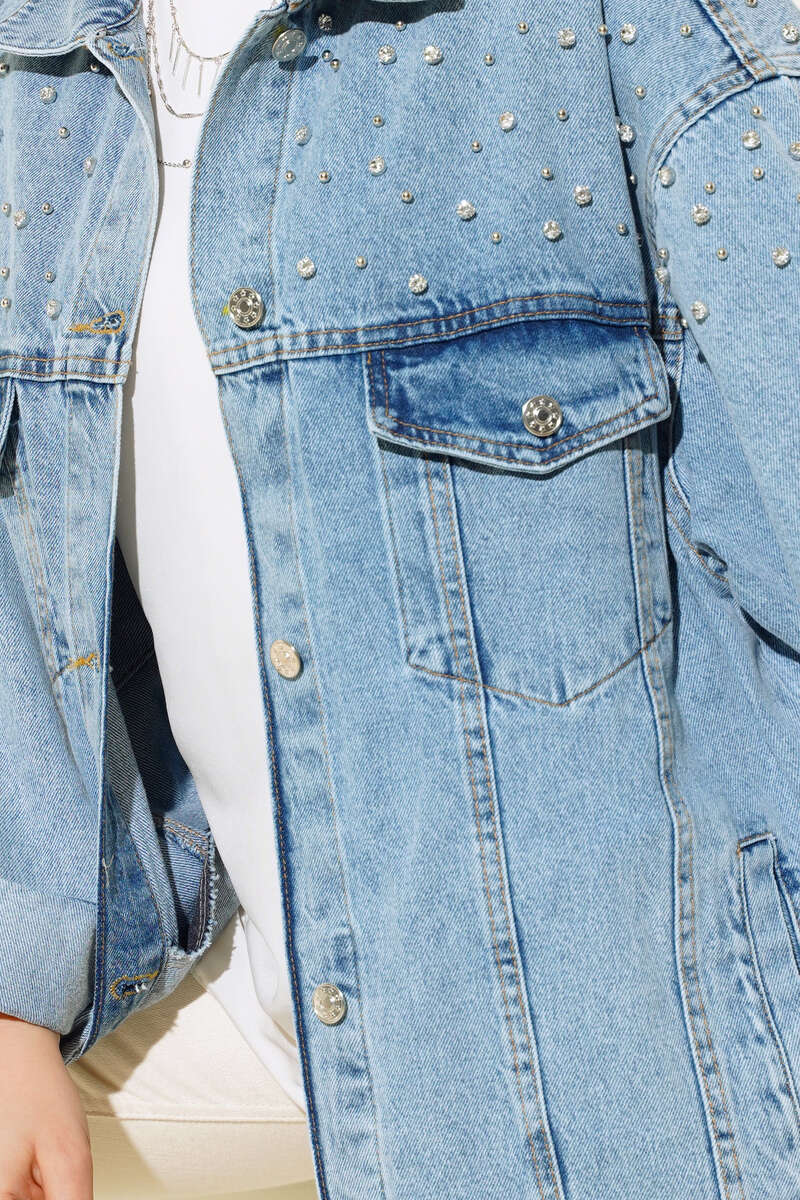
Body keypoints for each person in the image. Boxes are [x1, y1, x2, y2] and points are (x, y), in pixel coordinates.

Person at [1, 0, 800, 1197]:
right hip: (260, 983)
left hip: (619, 1066)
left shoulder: (622, 27)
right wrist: (15, 988)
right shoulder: (42, 62)